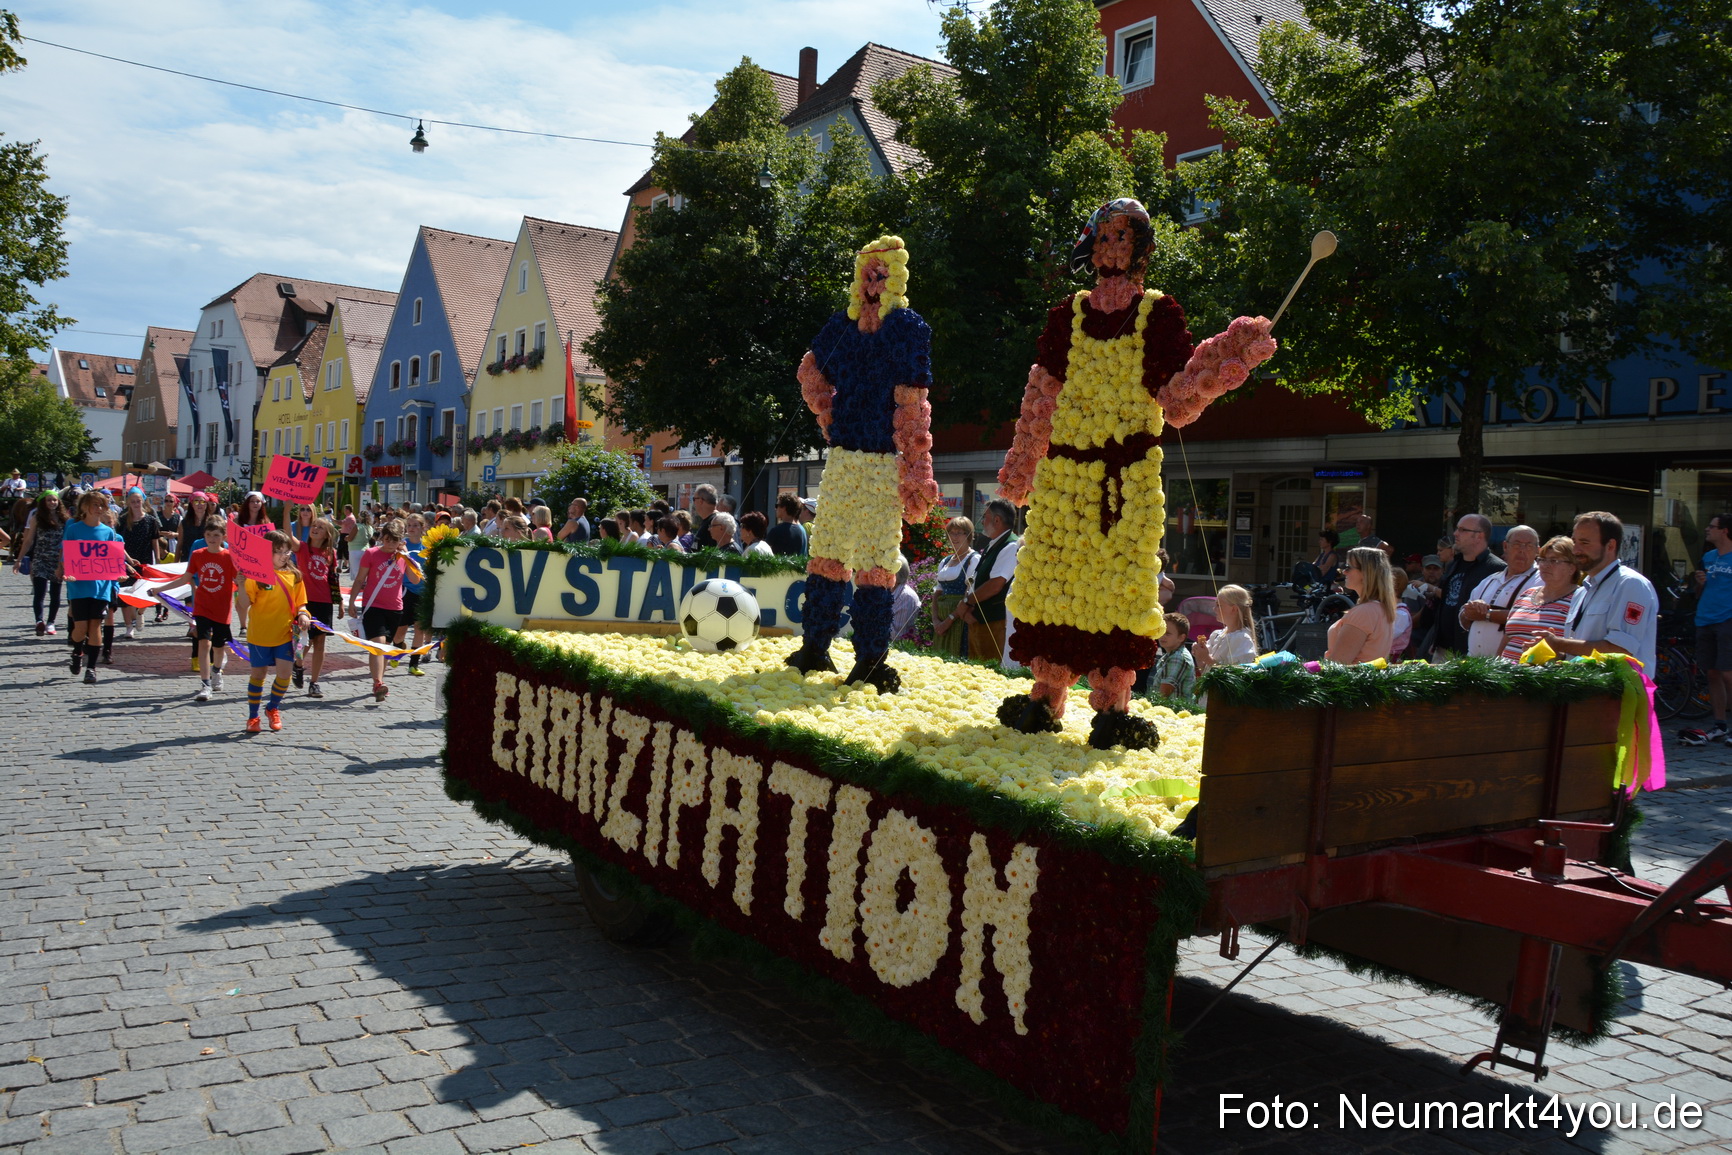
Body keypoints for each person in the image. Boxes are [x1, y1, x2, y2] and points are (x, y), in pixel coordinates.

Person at [995, 198, 1278, 747]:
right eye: (1102, 237)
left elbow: (1173, 400)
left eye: (1121, 237)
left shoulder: (1158, 314)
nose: (1109, 247)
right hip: (1064, 479)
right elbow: (1041, 395)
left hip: (1124, 485)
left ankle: (1113, 704)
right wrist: (1021, 463)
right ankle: (1045, 695)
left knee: (1120, 591)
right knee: (1052, 581)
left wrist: (1223, 360)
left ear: (1141, 249)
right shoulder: (1067, 315)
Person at [783, 237, 939, 691]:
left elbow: (913, 404)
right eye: (867, 273)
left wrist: (914, 466)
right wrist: (827, 413)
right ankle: (816, 645)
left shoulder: (908, 329)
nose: (873, 282)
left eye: (881, 274)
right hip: (845, 458)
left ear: (894, 279)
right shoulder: (842, 327)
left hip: (880, 463)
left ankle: (869, 657)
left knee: (875, 562)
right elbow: (810, 369)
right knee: (827, 553)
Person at [1539, 511, 1658, 675]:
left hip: (1616, 697)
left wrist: (1559, 643)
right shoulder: (1583, 591)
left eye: (1585, 543)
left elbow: (1620, 650)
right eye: (1574, 542)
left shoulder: (1630, 584)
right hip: (1585, 693)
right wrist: (1553, 652)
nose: (1576, 550)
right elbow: (1580, 652)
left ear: (1610, 546)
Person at [154, 518, 238, 701]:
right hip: (202, 606)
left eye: (216, 535)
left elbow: (239, 580)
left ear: (224, 537)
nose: (212, 539)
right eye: (208, 535)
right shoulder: (198, 554)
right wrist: (159, 590)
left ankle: (216, 671)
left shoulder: (229, 557)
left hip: (222, 608)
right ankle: (205, 684)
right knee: (203, 643)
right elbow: (185, 578)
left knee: (218, 647)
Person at [237, 531, 309, 733]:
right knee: (258, 675)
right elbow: (244, 604)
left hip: (285, 634)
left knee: (285, 675)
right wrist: (241, 585)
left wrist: (303, 614)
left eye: (287, 551)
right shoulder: (256, 576)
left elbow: (301, 602)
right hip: (260, 634)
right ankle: (253, 716)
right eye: (279, 551)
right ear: (265, 552)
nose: (284, 555)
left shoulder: (294, 575)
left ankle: (272, 707)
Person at [348, 519, 423, 702]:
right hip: (373, 606)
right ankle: (378, 682)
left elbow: (415, 580)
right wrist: (351, 603)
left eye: (394, 540)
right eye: (387, 539)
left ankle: (380, 680)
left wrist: (407, 557)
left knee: (387, 647)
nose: (390, 544)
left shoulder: (402, 558)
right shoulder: (371, 554)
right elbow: (359, 579)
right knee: (378, 644)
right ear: (382, 538)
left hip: (395, 607)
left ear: (400, 541)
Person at [60, 491, 126, 684]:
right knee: (80, 628)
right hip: (79, 586)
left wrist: (118, 576)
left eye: (101, 506)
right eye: (95, 505)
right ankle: (77, 651)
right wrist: (67, 572)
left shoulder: (108, 532)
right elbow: (67, 556)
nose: (98, 509)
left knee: (95, 625)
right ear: (85, 507)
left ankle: (91, 668)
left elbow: (114, 561)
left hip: (101, 587)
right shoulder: (74, 529)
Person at [1680, 512, 1732, 745]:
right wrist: (1700, 584)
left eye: (1712, 526)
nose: (1707, 530)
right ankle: (1719, 723)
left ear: (1725, 530)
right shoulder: (1708, 557)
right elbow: (1700, 593)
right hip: (1705, 619)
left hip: (1728, 620)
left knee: (1729, 673)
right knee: (1711, 672)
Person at [1457, 525, 1541, 657]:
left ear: (1538, 550)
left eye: (1529, 546)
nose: (1522, 551)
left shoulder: (1540, 581)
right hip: (1475, 662)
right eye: (1517, 545)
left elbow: (1530, 619)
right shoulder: (1490, 580)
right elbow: (1463, 617)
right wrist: (1470, 611)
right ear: (1505, 546)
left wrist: (1486, 615)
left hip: (1511, 666)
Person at [1432, 514, 1505, 659]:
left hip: (1469, 652)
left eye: (1462, 530)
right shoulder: (1454, 563)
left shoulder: (1496, 568)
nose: (1455, 534)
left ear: (1479, 536)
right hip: (1443, 648)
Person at [1499, 536, 1580, 662]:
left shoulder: (1579, 599)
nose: (1545, 566)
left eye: (1554, 561)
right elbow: (1507, 637)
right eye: (1542, 560)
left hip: (1544, 678)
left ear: (1572, 567)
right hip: (1506, 676)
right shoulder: (1527, 594)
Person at [961, 500, 1019, 672]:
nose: (982, 521)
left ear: (997, 520)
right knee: (978, 674)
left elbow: (996, 584)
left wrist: (968, 602)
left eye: (985, 517)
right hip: (981, 622)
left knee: (991, 675)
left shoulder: (1011, 545)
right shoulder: (994, 544)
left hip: (995, 624)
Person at [1325, 547, 1397, 664]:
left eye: (1348, 567)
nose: (1344, 572)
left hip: (1349, 681)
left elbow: (1337, 665)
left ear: (1365, 573)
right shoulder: (1381, 608)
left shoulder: (1364, 612)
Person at [295, 517, 340, 697]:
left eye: (320, 527)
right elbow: (288, 536)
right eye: (314, 526)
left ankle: (314, 682)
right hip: (306, 601)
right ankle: (297, 665)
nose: (315, 529)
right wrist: (288, 511)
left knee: (320, 642)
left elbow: (333, 579)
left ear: (326, 534)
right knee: (304, 640)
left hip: (325, 602)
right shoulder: (303, 548)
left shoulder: (331, 553)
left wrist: (340, 603)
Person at [15, 491, 66, 636]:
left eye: (55, 500)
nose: (52, 503)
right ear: (43, 502)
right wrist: (19, 560)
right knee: (40, 592)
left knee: (55, 595)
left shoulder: (64, 519)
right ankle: (39, 621)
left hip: (57, 561)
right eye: (49, 500)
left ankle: (51, 622)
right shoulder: (37, 518)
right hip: (40, 559)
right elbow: (29, 540)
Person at [116, 489, 162, 640]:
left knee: (143, 591)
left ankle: (140, 613)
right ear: (129, 502)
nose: (136, 504)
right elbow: (117, 541)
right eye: (133, 501)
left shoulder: (150, 520)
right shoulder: (122, 520)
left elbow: (154, 541)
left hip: (144, 559)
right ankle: (129, 626)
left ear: (143, 501)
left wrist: (158, 559)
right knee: (125, 593)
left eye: (138, 501)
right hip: (126, 559)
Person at [929, 517, 977, 659]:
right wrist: (936, 620)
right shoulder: (945, 561)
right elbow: (937, 593)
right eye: (951, 533)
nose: (954, 537)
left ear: (968, 535)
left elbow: (968, 595)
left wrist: (948, 621)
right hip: (942, 621)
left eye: (959, 533)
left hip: (959, 621)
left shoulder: (973, 559)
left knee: (956, 659)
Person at [392, 513, 431, 676]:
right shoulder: (402, 545)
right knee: (400, 630)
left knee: (419, 629)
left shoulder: (428, 548)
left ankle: (413, 664)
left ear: (423, 528)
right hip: (406, 591)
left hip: (423, 593)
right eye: (409, 525)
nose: (412, 528)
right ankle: (398, 647)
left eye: (416, 525)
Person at [1193, 585, 1259, 675]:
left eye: (1219, 605)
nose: (1214, 609)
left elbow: (1236, 676)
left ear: (1234, 609)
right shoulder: (1216, 635)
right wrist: (1199, 656)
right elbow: (1205, 672)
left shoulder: (1242, 638)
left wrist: (1207, 659)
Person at [1146, 612, 1197, 699]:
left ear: (1181, 637)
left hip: (1175, 710)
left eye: (1168, 633)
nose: (1162, 636)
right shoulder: (1170, 655)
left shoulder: (1177, 657)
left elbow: (1163, 694)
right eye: (1161, 631)